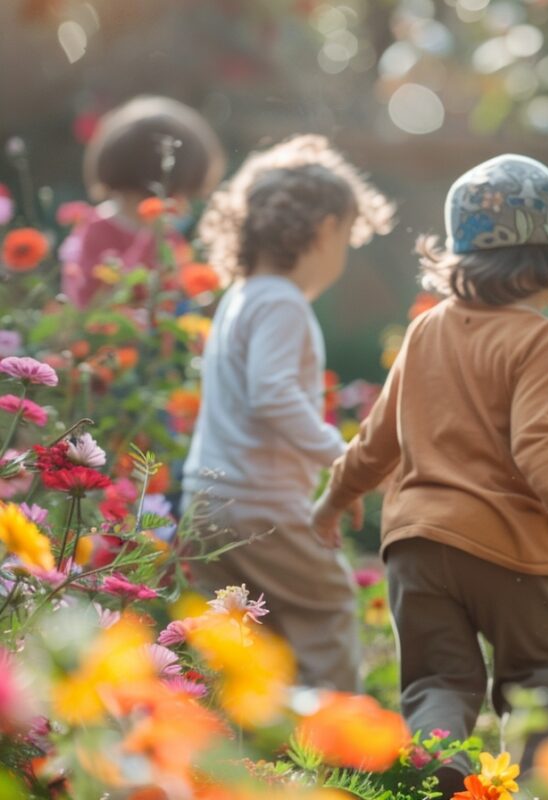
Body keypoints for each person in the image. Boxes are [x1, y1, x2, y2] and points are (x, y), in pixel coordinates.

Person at [312, 154, 548, 787]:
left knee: (438, 681)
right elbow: (539, 447)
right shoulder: (541, 340)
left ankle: (439, 770)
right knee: (537, 675)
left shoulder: (424, 332)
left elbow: (377, 439)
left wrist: (335, 498)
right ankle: (532, 783)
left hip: (416, 548)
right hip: (508, 551)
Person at [183, 135, 394, 691]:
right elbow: (272, 395)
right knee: (326, 607)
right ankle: (334, 759)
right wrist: (346, 459)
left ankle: (255, 759)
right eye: (348, 236)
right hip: (262, 509)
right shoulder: (282, 302)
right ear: (325, 230)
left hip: (206, 505)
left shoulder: (241, 296)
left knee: (250, 646)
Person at [63, 95, 226, 307]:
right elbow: (91, 303)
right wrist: (150, 240)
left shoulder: (170, 237)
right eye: (175, 196)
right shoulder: (96, 232)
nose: (180, 207)